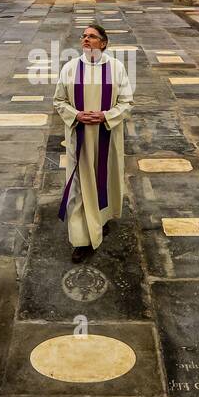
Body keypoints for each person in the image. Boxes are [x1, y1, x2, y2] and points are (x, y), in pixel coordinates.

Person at [54, 25, 135, 263]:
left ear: (103, 43)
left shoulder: (116, 68)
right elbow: (59, 101)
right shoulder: (70, 68)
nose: (86, 39)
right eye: (84, 36)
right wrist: (76, 115)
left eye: (92, 36)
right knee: (79, 187)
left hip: (106, 137)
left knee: (105, 180)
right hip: (79, 139)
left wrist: (105, 116)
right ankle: (81, 240)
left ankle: (100, 220)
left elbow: (127, 102)